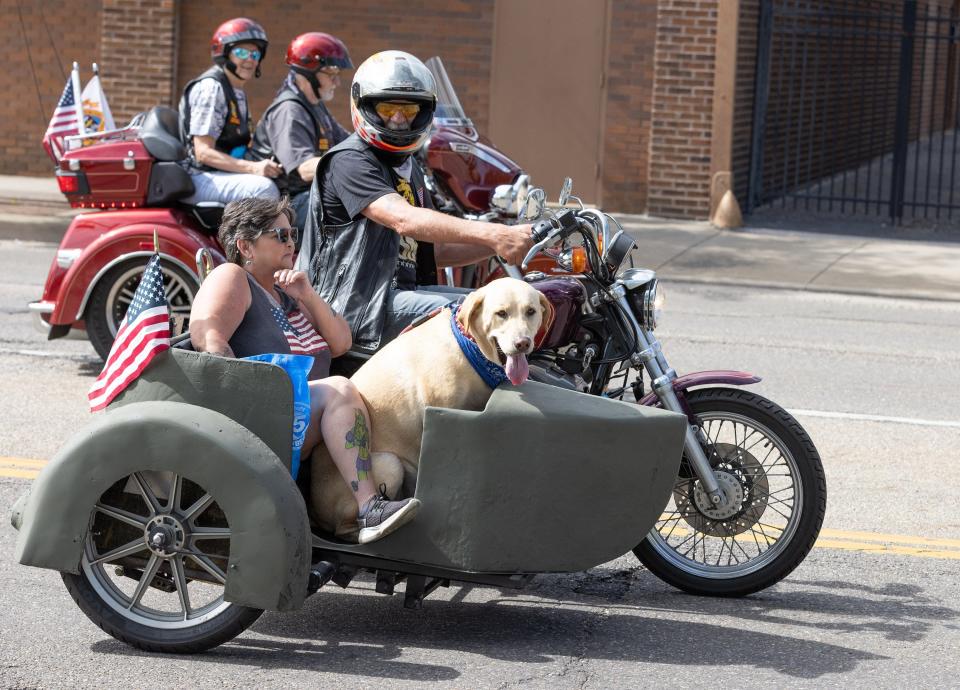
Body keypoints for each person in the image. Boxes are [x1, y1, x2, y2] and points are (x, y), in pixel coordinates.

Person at [189, 196, 419, 543]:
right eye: (279, 235)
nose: (291, 242)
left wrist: (307, 294)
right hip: (263, 416)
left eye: (292, 234)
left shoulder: (285, 293)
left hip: (301, 415)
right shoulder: (232, 276)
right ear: (245, 245)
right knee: (339, 388)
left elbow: (341, 343)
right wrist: (243, 400)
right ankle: (369, 508)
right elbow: (208, 338)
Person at [297, 50, 534, 354]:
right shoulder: (350, 160)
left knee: (503, 302)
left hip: (398, 295)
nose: (397, 119)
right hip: (353, 304)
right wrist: (494, 233)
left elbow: (438, 249)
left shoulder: (411, 169)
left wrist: (517, 235)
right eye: (386, 108)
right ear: (365, 106)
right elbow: (403, 219)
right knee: (481, 313)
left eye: (408, 110)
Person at [248, 32, 353, 237]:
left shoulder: (315, 106)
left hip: (307, 195)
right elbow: (304, 169)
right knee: (352, 206)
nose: (337, 82)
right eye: (331, 73)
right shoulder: (289, 110)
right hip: (286, 204)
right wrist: (352, 166)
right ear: (309, 73)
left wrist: (378, 147)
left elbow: (348, 141)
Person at [178, 18, 281, 205]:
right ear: (224, 54)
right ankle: (247, 236)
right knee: (263, 188)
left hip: (219, 174)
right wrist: (253, 168)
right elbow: (203, 152)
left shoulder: (236, 91)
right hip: (200, 176)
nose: (250, 59)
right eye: (241, 52)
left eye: (255, 54)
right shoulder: (212, 88)